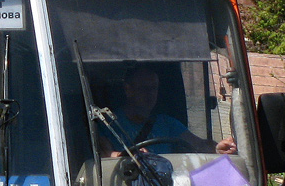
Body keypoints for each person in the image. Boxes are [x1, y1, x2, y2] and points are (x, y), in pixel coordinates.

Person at [98, 63, 236, 157]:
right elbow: (104, 154)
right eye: (144, 88)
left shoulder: (167, 123)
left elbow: (198, 144)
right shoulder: (108, 123)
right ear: (128, 90)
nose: (150, 94)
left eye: (154, 88)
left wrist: (218, 148)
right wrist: (127, 157)